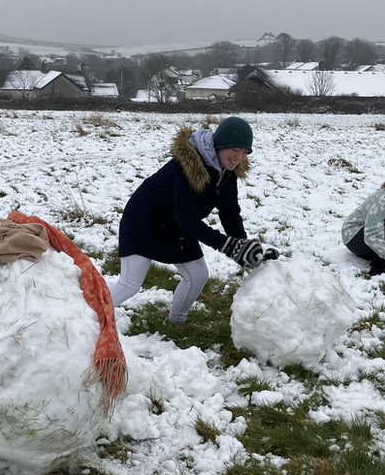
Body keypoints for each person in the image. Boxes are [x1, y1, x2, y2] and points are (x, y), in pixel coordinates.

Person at [109, 116, 277, 325]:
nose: (240, 157)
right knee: (129, 285)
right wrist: (227, 246)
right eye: (235, 150)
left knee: (198, 275)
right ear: (220, 144)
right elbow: (187, 219)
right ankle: (83, 314)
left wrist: (244, 248)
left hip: (176, 228)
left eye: (245, 152)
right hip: (145, 222)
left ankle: (177, 322)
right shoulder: (189, 167)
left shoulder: (227, 173)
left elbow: (230, 214)